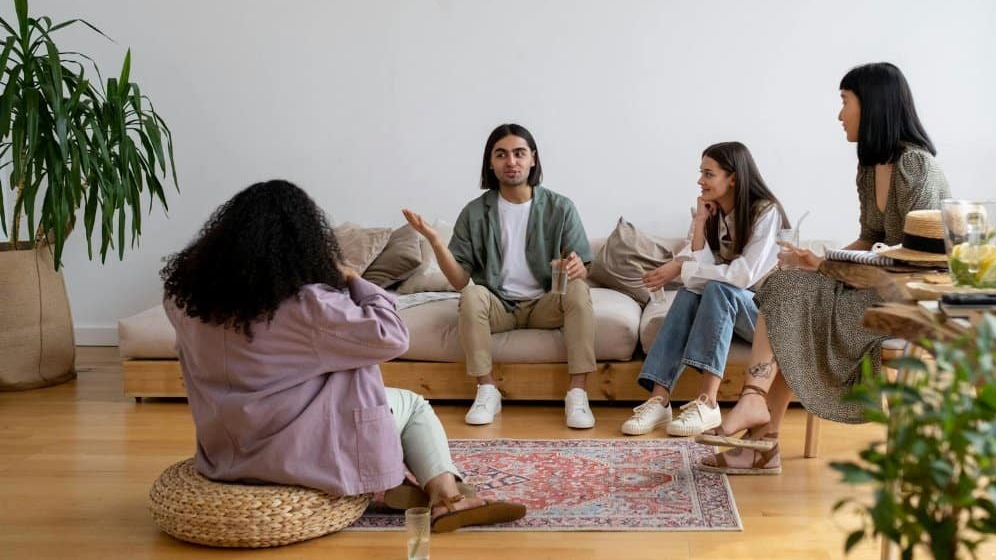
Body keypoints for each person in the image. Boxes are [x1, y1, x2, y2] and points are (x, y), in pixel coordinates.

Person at [161, 180, 525, 532]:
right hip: (297, 450)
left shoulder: (184, 303)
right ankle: (448, 496)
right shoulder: (308, 306)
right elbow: (392, 336)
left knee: (330, 372)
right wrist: (354, 279)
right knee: (412, 406)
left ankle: (401, 483)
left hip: (225, 448)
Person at [696, 62, 951, 474]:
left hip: (908, 294)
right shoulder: (869, 169)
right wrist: (817, 264)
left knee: (793, 301)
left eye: (845, 102)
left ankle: (760, 432)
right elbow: (870, 236)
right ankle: (758, 420)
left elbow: (916, 253)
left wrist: (826, 266)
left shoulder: (915, 166)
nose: (840, 114)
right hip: (873, 283)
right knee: (784, 285)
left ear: (873, 105)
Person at [402, 124, 596, 428]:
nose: (511, 162)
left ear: (533, 158)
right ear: (490, 163)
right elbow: (458, 280)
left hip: (546, 303)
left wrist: (578, 268)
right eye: (501, 154)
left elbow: (583, 263)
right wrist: (436, 242)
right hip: (499, 306)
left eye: (519, 153)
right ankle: (487, 389)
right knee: (470, 294)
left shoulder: (560, 207)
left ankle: (578, 394)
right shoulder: (475, 212)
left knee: (579, 290)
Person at [621, 142, 787, 437]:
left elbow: (742, 276)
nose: (700, 181)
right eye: (701, 173)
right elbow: (698, 271)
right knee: (691, 293)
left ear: (733, 177)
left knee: (717, 290)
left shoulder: (766, 213)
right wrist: (700, 223)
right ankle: (659, 400)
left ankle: (708, 401)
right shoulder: (715, 213)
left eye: (708, 174)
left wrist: (685, 271)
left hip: (768, 320)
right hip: (730, 309)